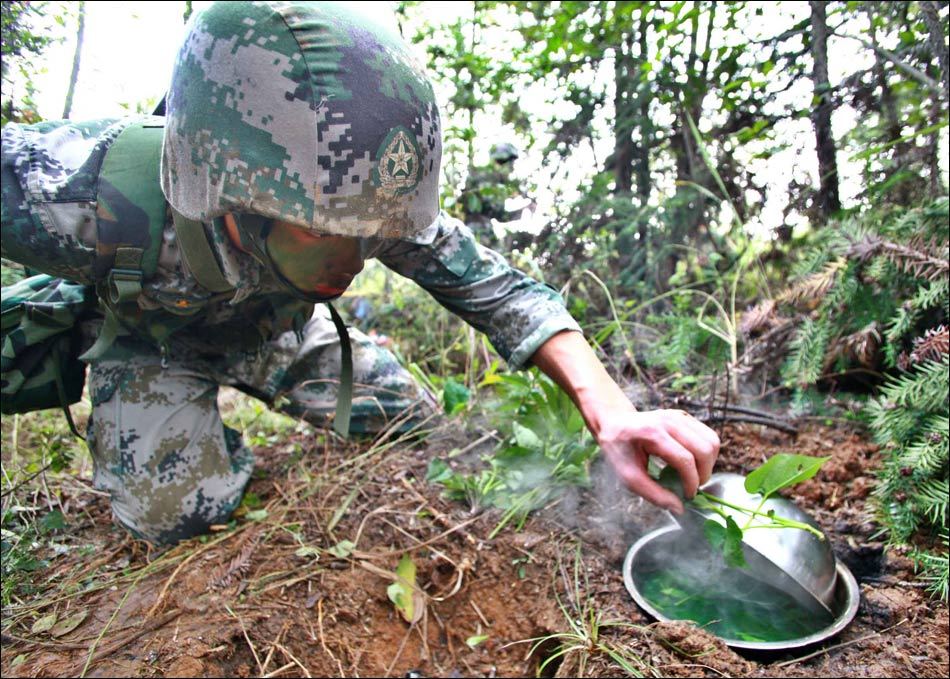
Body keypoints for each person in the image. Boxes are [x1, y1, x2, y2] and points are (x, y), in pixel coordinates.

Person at [0, 1, 718, 545]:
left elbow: (500, 292)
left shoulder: (361, 192)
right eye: (324, 232)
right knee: (175, 515)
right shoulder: (76, 192)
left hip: (279, 331)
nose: (352, 260)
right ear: (227, 195)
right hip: (150, 339)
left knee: (425, 430)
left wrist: (613, 411)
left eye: (371, 237)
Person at [459, 142, 532, 247]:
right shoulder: (488, 177)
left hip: (474, 230)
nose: (511, 168)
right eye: (509, 163)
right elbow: (497, 212)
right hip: (477, 231)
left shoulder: (484, 175)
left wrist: (524, 209)